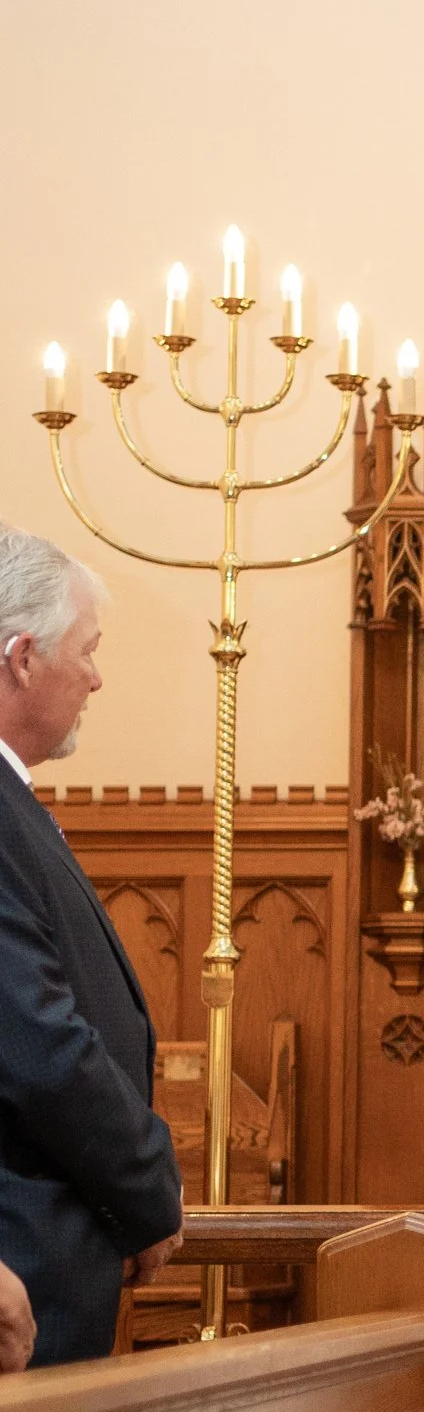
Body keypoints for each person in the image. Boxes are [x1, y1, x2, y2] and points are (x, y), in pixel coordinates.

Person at [0, 529, 182, 1363]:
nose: (98, 677)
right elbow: (39, 1044)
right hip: (22, 1265)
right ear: (23, 657)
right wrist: (147, 1193)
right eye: (89, 651)